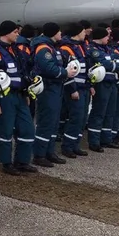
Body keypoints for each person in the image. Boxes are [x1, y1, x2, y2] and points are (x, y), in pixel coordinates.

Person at [0, 21, 37, 175]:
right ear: (6, 33)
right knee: (6, 130)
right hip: (5, 97)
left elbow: (23, 73)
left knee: (28, 129)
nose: (17, 34)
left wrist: (26, 93)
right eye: (15, 32)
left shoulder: (16, 50)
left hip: (20, 96)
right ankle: (6, 163)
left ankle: (22, 161)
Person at [31, 22, 76, 166]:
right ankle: (39, 155)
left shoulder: (52, 47)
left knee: (54, 122)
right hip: (48, 89)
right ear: (53, 33)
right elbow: (48, 68)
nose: (60, 34)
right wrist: (65, 73)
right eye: (58, 32)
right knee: (46, 121)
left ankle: (49, 152)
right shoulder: (43, 48)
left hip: (56, 88)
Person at [85, 27, 119, 152]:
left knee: (110, 113)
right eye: (106, 36)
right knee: (99, 113)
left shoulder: (108, 49)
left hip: (112, 84)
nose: (108, 38)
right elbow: (105, 64)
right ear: (101, 37)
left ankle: (106, 139)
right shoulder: (93, 50)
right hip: (102, 84)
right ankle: (94, 141)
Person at [59, 23, 90, 158]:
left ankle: (75, 145)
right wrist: (72, 89)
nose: (85, 34)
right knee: (76, 117)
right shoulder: (67, 49)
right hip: (75, 88)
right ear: (77, 33)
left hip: (84, 87)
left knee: (82, 118)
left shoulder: (81, 46)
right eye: (83, 31)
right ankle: (67, 146)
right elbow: (68, 71)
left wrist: (90, 86)